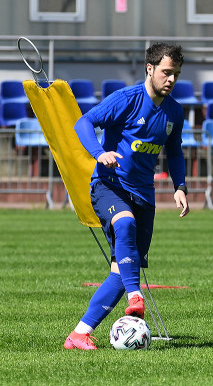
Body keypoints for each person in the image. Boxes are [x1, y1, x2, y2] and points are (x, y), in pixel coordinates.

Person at [64, 42, 190, 350]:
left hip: (144, 195)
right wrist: (99, 152)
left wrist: (180, 186)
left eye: (176, 74)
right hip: (109, 185)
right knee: (124, 224)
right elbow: (83, 122)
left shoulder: (174, 111)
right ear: (150, 69)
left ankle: (78, 335)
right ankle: (136, 297)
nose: (171, 80)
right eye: (166, 72)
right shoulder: (126, 99)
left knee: (122, 271)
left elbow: (174, 151)